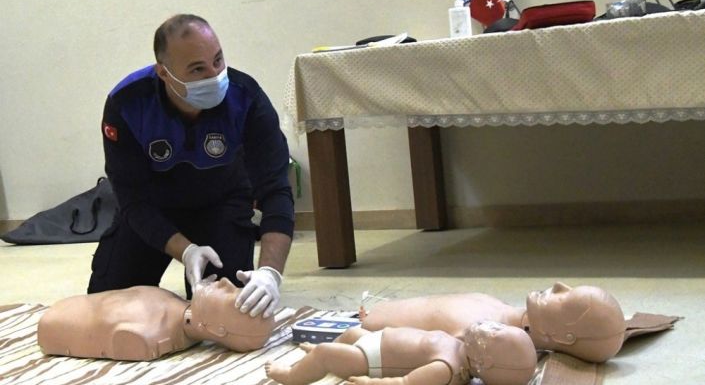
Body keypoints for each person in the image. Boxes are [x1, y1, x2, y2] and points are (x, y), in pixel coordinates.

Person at [87, 14, 294, 319]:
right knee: (107, 309)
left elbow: (276, 190)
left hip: (222, 203)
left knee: (230, 312)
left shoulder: (247, 99)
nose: (214, 76)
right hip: (153, 210)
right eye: (198, 69)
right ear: (164, 73)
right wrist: (186, 251)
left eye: (218, 60)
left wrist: (270, 274)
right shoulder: (127, 104)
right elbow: (133, 200)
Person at [359, 282, 626, 363]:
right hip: (377, 313)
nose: (558, 285)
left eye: (567, 299)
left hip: (370, 330)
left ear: (562, 337)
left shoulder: (481, 334)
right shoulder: (501, 309)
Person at [38, 277, 275, 361]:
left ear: (218, 330)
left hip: (53, 323)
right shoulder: (174, 304)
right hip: (148, 212)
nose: (225, 282)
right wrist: (186, 250)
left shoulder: (147, 335)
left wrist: (271, 272)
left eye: (230, 294)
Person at [265, 321, 537, 385]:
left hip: (371, 360)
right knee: (350, 333)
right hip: (375, 340)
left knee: (326, 353)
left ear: (483, 361)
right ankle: (322, 354)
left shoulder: (446, 369)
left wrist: (371, 382)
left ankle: (290, 375)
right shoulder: (460, 346)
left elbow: (405, 382)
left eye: (493, 333)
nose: (488, 325)